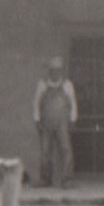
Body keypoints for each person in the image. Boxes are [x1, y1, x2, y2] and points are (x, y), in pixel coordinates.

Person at [33, 57, 78, 188]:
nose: (55, 73)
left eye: (58, 71)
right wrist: (37, 119)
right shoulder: (42, 85)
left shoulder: (67, 85)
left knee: (66, 150)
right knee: (45, 151)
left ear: (61, 72)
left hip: (62, 123)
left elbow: (73, 103)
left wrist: (73, 119)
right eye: (53, 71)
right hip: (46, 122)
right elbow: (36, 103)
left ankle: (67, 179)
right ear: (49, 72)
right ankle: (45, 178)